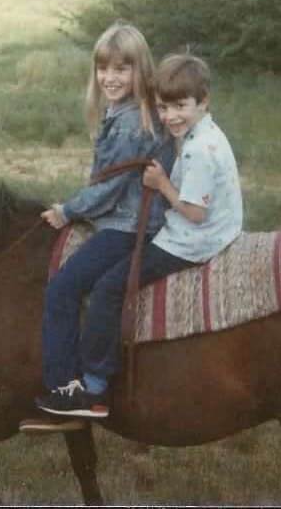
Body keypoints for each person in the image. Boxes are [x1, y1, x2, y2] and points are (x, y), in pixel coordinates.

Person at [36, 53, 243, 418]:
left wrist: (162, 184)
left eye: (180, 106)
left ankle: (95, 387)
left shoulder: (198, 151)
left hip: (191, 239)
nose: (170, 117)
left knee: (108, 288)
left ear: (204, 101)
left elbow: (194, 213)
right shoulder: (207, 132)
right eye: (163, 108)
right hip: (214, 229)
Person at [34, 21, 174, 421]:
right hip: (126, 218)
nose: (110, 78)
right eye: (104, 68)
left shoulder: (131, 123)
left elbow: (109, 190)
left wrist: (67, 211)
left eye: (121, 69)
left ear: (140, 71)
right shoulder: (125, 111)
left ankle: (66, 387)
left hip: (128, 225)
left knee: (62, 290)